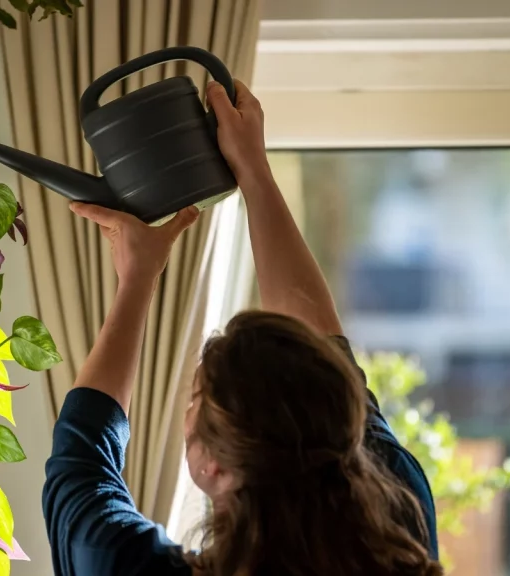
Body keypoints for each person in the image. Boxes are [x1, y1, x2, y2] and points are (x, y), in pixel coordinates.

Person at [43, 79, 442, 576]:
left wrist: (137, 277)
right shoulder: (398, 515)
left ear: (213, 466)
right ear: (343, 413)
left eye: (196, 400)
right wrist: (253, 170)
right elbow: (319, 346)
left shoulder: (133, 566)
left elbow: (81, 465)